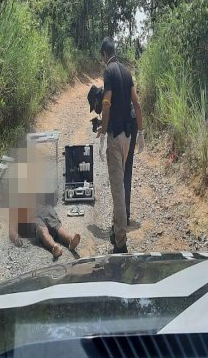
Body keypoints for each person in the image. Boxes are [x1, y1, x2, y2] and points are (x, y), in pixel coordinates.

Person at [96, 38, 144, 254]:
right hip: (128, 137)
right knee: (121, 181)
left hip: (115, 137)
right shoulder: (126, 72)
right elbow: (136, 102)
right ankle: (116, 229)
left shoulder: (109, 73)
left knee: (117, 188)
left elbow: (106, 103)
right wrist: (141, 131)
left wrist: (103, 131)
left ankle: (121, 243)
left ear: (104, 54)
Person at [88, 85, 139, 227]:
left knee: (125, 171)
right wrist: (101, 124)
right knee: (122, 172)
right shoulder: (109, 92)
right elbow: (114, 118)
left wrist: (103, 129)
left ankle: (124, 217)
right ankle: (122, 215)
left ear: (96, 100)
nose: (96, 110)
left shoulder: (107, 95)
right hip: (129, 123)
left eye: (94, 106)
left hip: (130, 125)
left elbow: (114, 117)